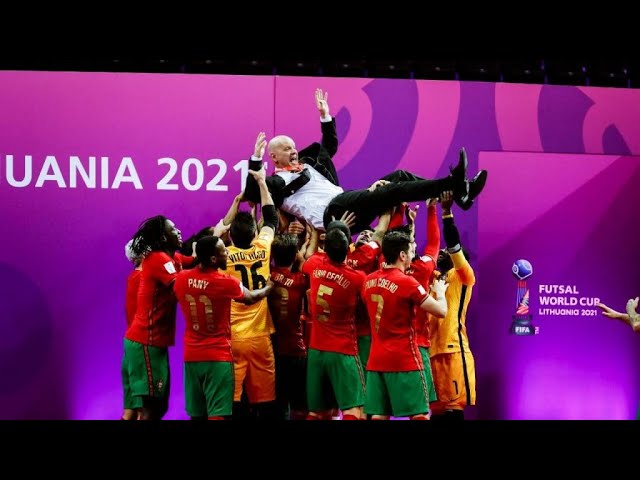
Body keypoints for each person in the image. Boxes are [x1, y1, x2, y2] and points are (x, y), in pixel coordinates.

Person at [243, 89, 488, 233]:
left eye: (294, 147)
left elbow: (328, 147)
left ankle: (461, 193)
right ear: (273, 156)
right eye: (287, 149)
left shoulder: (308, 165)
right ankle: (454, 183)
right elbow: (253, 192)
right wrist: (255, 159)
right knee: (392, 191)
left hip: (346, 201)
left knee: (399, 176)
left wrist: (325, 115)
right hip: (334, 214)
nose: (294, 151)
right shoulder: (276, 182)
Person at [174, 235, 273, 420]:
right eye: (223, 251)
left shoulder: (180, 279)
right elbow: (250, 298)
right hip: (217, 357)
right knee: (217, 415)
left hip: (191, 357)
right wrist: (267, 289)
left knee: (197, 415)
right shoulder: (225, 282)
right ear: (213, 259)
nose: (227, 252)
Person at [362, 230, 448, 420]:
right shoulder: (408, 283)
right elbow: (441, 311)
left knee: (378, 416)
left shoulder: (368, 281)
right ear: (402, 255)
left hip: (376, 362)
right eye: (410, 251)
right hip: (405, 360)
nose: (412, 256)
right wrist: (440, 292)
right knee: (420, 415)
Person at [123, 215, 192, 420]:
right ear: (162, 237)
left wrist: (221, 233)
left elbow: (198, 258)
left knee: (158, 408)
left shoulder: (173, 259)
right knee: (147, 410)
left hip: (155, 344)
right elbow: (180, 286)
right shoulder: (156, 260)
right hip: (145, 343)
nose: (179, 231)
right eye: (173, 228)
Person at [224, 168, 280, 419]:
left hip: (234, 336)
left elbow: (220, 230)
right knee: (265, 401)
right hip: (260, 336)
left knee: (233, 400)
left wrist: (236, 203)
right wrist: (262, 184)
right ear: (253, 234)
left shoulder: (222, 257)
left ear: (231, 236)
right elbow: (271, 219)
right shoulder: (263, 247)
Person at [302, 224, 368, 420]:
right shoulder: (357, 278)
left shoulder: (314, 264)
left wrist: (314, 234)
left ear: (325, 250)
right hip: (343, 351)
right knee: (354, 410)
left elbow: (307, 258)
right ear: (349, 248)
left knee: (316, 412)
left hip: (316, 350)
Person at [427, 192, 477, 421]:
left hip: (453, 351)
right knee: (436, 412)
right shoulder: (435, 278)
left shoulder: (463, 276)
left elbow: (453, 245)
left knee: (453, 411)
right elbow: (430, 248)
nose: (443, 253)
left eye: (447, 253)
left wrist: (446, 213)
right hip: (432, 353)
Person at [269, 234, 310, 420]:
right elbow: (306, 267)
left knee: (277, 404)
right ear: (294, 256)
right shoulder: (300, 281)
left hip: (270, 350)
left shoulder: (264, 275)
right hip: (295, 350)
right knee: (300, 407)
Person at [121, 239, 143, 420]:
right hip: (140, 351)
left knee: (130, 411)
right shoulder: (142, 279)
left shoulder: (133, 278)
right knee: (142, 412)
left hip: (131, 350)